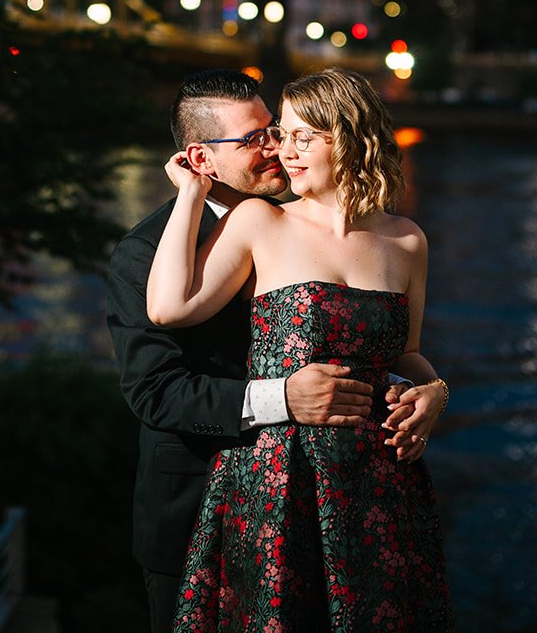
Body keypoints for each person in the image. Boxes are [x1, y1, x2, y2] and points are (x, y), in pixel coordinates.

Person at [146, 67, 451, 632]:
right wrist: (191, 192)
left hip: (377, 483)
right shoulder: (260, 220)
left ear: (351, 137)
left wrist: (434, 393)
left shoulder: (408, 240)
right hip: (277, 477)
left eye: (302, 136)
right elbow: (169, 307)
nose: (284, 150)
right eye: (282, 135)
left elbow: (406, 355)